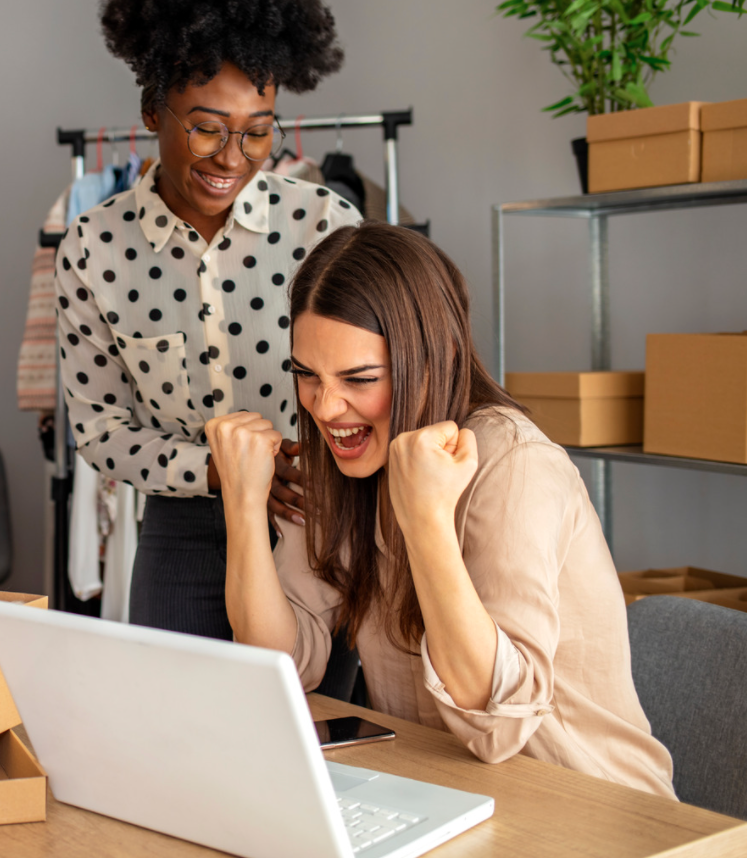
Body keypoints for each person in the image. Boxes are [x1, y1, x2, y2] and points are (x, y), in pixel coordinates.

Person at [206, 223, 676, 797]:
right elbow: (279, 666)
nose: (326, 407)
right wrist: (243, 505)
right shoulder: (348, 461)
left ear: (436, 356)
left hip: (591, 807)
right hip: (444, 794)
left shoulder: (513, 462)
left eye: (360, 378)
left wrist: (425, 520)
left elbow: (498, 723)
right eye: (307, 376)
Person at [55, 0, 358, 639]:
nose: (232, 159)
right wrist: (221, 471)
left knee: (322, 732)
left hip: (317, 524)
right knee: (177, 724)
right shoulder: (94, 247)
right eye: (206, 128)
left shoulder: (325, 226)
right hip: (182, 535)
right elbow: (99, 428)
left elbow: (377, 380)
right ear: (150, 112)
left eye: (257, 132)